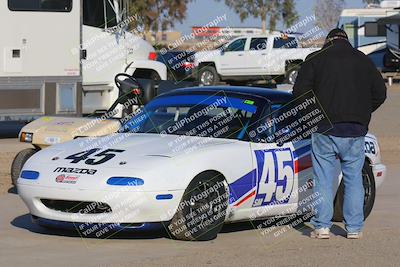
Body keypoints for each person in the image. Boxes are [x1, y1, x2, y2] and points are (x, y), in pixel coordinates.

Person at [293, 28, 387, 239]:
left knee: (323, 178)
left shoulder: (315, 58)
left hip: (324, 129)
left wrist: (314, 116)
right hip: (355, 129)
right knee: (354, 179)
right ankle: (354, 229)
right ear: (346, 40)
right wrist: (362, 113)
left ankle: (322, 227)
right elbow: (380, 93)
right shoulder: (363, 60)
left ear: (328, 41)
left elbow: (299, 93)